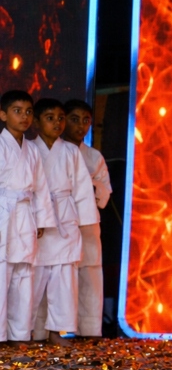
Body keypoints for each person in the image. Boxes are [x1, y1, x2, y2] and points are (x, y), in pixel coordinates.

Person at [28, 99, 99, 345]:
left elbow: (82, 189)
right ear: (36, 122)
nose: (57, 123)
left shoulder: (70, 151)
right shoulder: (28, 150)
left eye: (60, 118)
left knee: (64, 280)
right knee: (31, 280)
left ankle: (59, 331)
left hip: (65, 219)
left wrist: (83, 220)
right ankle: (25, 331)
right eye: (50, 117)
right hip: (36, 219)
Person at [0, 90, 56, 343]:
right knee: (2, 272)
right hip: (3, 211)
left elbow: (41, 187)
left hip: (25, 213)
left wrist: (42, 218)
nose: (24, 117)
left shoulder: (31, 150)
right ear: (3, 115)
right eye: (17, 111)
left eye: (28, 112)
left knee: (24, 273)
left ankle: (20, 334)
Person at [61, 99, 112, 338]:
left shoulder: (93, 156)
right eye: (74, 119)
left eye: (86, 121)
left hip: (88, 225)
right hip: (59, 224)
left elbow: (104, 192)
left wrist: (87, 187)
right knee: (58, 276)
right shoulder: (52, 151)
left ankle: (89, 331)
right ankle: (55, 330)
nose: (81, 126)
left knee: (90, 275)